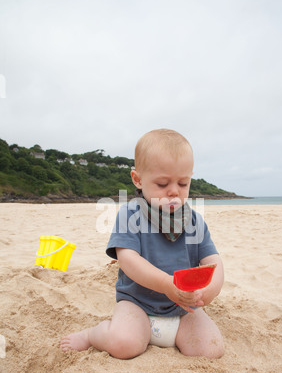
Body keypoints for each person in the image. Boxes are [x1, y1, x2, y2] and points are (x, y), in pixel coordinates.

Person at [60, 129, 224, 359]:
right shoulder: (131, 214)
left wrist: (210, 290)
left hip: (183, 308)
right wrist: (168, 284)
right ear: (138, 179)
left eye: (183, 183)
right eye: (162, 183)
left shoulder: (194, 220)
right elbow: (128, 260)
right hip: (137, 305)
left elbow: (213, 260)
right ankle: (91, 335)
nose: (174, 191)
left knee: (210, 350)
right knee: (123, 345)